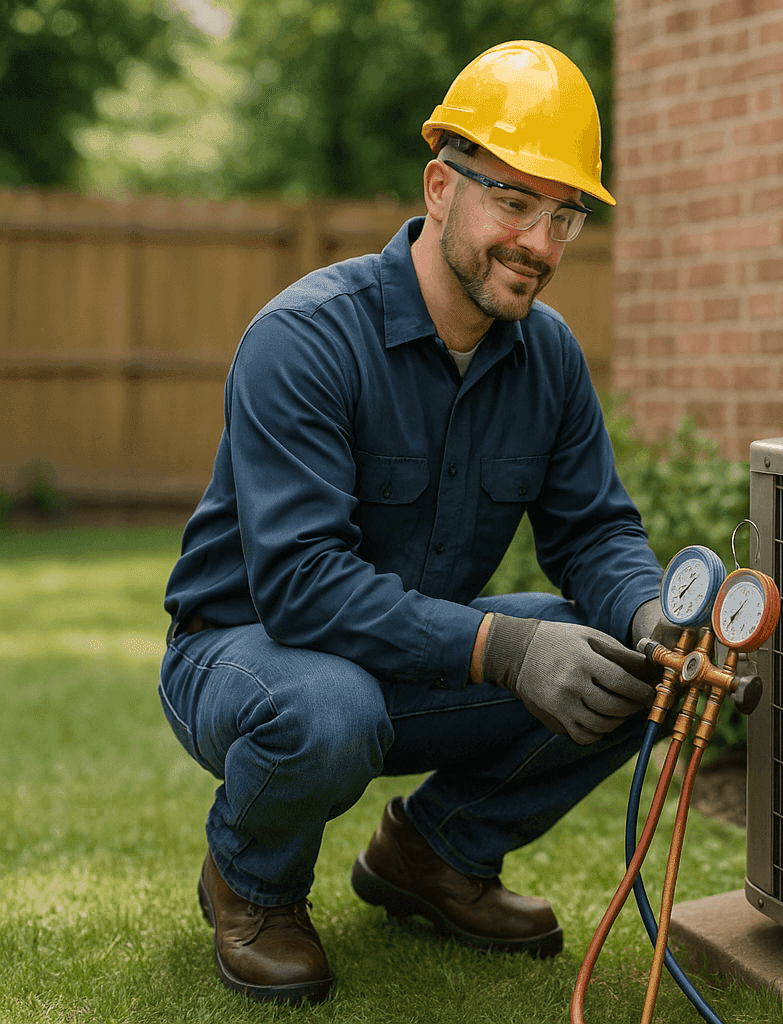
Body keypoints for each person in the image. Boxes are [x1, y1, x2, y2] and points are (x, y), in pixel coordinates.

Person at [159, 40, 677, 1005]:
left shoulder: (548, 358)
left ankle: (434, 857)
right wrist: (508, 646)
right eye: (513, 202)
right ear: (440, 187)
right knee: (328, 708)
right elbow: (302, 585)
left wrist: (654, 619)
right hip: (244, 654)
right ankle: (253, 884)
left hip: (408, 659)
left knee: (631, 666)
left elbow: (595, 531)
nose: (541, 242)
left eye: (564, 215)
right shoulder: (304, 339)